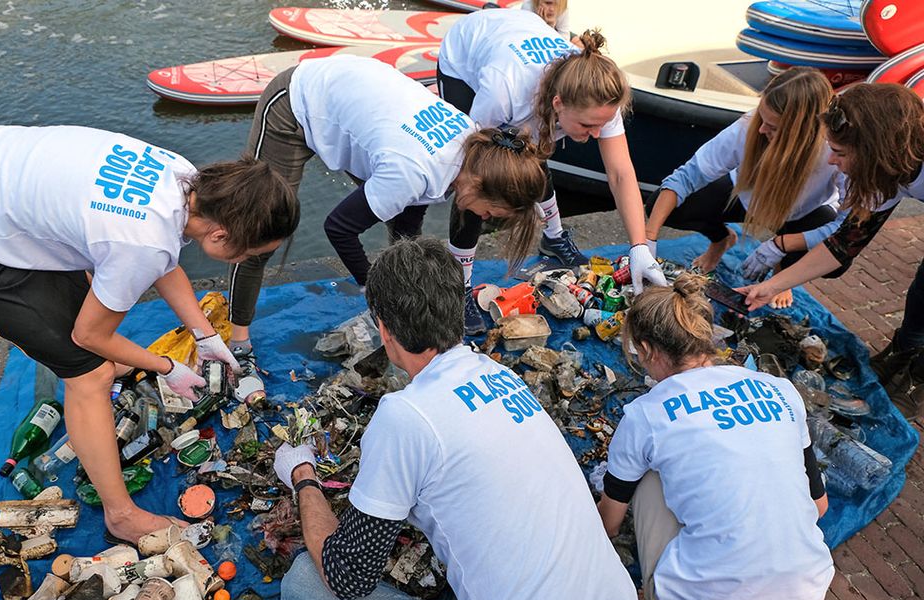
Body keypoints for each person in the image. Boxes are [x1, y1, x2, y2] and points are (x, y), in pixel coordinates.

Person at [0, 125, 298, 543]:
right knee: (89, 372)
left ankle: (112, 373)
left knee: (96, 314)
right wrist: (166, 367)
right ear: (220, 235)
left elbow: (161, 260)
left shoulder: (182, 176)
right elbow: (89, 333)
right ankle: (121, 515)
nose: (246, 261)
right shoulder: (142, 241)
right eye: (248, 254)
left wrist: (203, 335)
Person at [272, 237, 643, 600]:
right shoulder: (499, 373)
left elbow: (346, 575)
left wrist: (302, 474)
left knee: (302, 585)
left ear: (384, 328)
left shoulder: (404, 415)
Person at [227, 54, 546, 363]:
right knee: (258, 231)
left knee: (405, 229)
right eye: (491, 212)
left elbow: (408, 221)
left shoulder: (476, 152)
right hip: (298, 101)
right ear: (478, 183)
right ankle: (238, 341)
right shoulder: (412, 170)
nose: (485, 219)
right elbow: (338, 228)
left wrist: (408, 300)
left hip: (359, 105)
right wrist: (376, 294)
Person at [597, 274, 834, 600]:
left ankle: (660, 597)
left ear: (647, 349)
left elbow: (608, 525)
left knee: (646, 478)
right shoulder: (780, 389)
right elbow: (819, 506)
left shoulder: (646, 414)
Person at [437, 10, 665, 333]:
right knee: (484, 181)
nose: (597, 134)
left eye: (602, 125)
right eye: (588, 125)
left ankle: (554, 237)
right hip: (466, 56)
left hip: (521, 53)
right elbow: (472, 174)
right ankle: (458, 286)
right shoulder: (504, 91)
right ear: (558, 104)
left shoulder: (596, 94)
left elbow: (620, 174)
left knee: (536, 150)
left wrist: (639, 246)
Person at [739, 83, 924, 416]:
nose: (830, 159)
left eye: (839, 152)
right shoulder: (884, 167)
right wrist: (771, 286)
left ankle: (919, 376)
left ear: (874, 150)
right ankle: (904, 352)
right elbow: (843, 244)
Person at [645, 67, 842, 308]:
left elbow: (849, 228)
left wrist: (780, 245)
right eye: (762, 118)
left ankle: (784, 275)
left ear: (801, 131)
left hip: (802, 215)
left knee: (837, 259)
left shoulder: (837, 149)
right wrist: (648, 241)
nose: (761, 130)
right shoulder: (750, 126)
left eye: (773, 127)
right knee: (659, 205)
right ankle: (721, 240)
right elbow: (687, 176)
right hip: (746, 198)